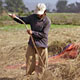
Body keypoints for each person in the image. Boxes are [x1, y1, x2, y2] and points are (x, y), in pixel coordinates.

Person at [9, 3, 51, 75]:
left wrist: (33, 32)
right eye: (38, 13)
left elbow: (44, 35)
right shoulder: (32, 17)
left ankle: (41, 76)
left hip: (42, 43)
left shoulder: (47, 21)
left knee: (42, 61)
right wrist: (15, 17)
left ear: (45, 12)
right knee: (29, 58)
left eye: (40, 13)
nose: (39, 15)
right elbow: (23, 20)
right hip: (32, 42)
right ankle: (29, 74)